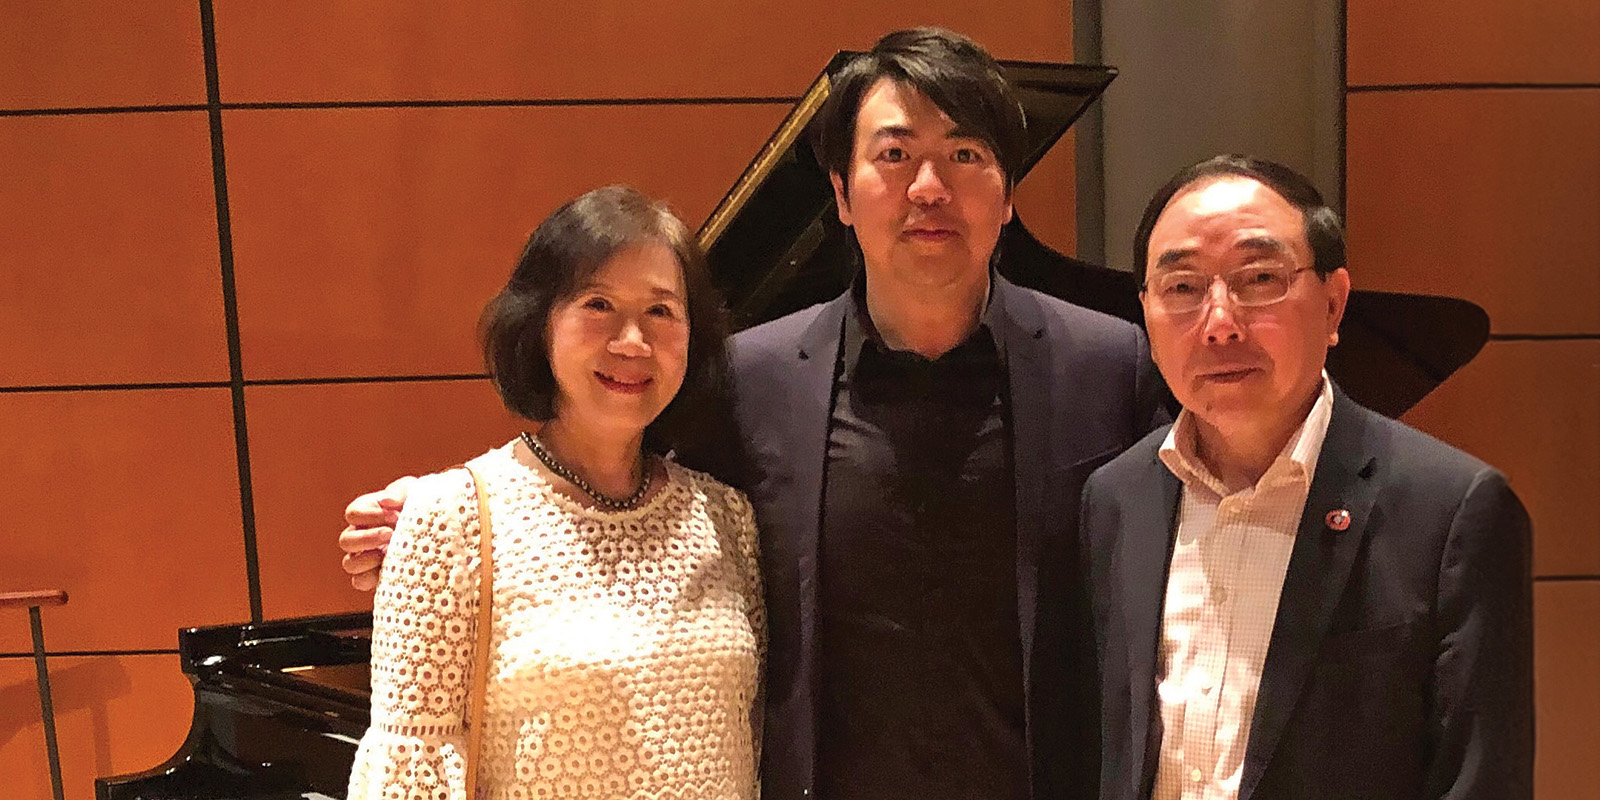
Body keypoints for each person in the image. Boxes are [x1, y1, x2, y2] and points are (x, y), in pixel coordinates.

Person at [345, 28, 1163, 800]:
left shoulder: (1110, 364)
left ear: (1008, 192)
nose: (928, 186)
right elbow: (599, 466)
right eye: (894, 153)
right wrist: (436, 510)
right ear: (842, 193)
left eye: (964, 154)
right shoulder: (753, 377)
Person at [1083, 155, 1533, 800]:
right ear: (1148, 317)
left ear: (1333, 302)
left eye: (1259, 279)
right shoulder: (1116, 497)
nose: (1219, 322)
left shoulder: (1452, 510)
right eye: (1182, 289)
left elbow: (1482, 779)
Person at [345, 186, 764, 800]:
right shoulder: (450, 521)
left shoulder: (729, 518)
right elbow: (410, 778)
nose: (632, 341)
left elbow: (750, 748)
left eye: (661, 311)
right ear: (540, 324)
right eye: (598, 304)